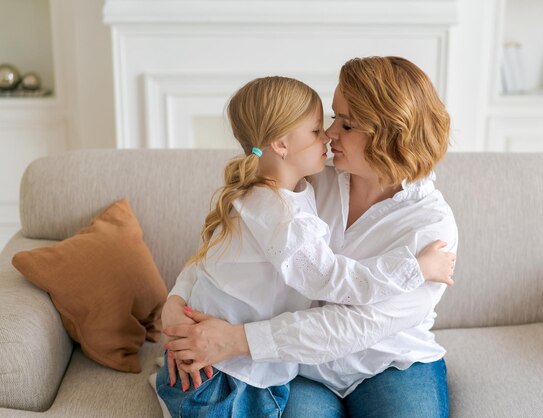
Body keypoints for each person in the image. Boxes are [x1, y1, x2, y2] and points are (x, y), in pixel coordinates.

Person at [156, 74, 456, 418]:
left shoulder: (431, 223)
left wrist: (237, 339)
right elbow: (218, 255)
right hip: (287, 363)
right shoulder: (302, 180)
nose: (329, 134)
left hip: (388, 362)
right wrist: (175, 302)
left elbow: (355, 325)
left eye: (345, 124)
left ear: (386, 134)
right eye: (326, 122)